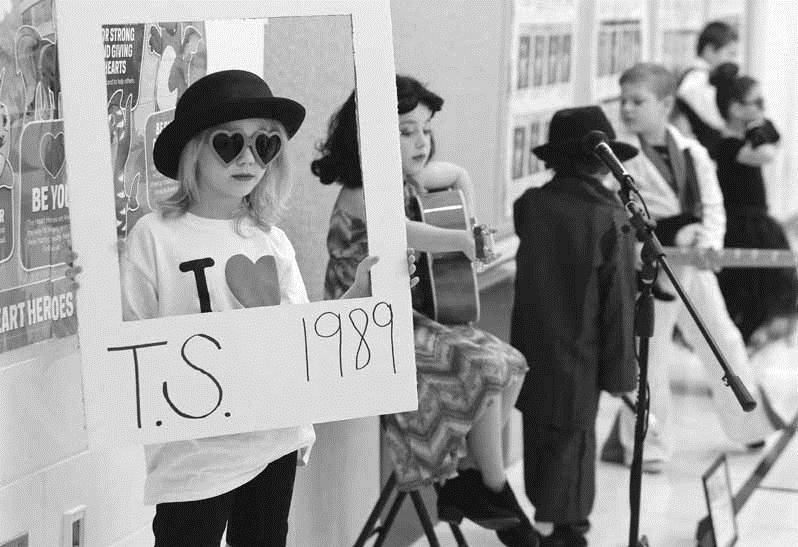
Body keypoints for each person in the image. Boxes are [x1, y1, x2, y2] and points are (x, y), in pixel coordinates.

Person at [102, 69, 407, 546]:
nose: (249, 158)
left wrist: (360, 295)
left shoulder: (271, 240)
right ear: (193, 150)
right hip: (193, 451)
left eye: (265, 145)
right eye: (230, 143)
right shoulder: (155, 237)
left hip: (271, 440)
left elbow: (305, 338)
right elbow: (128, 340)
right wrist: (87, 282)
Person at [312, 76, 535, 546]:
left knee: (511, 364)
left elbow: (457, 176)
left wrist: (467, 216)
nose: (422, 141)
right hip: (364, 319)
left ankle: (471, 479)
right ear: (370, 134)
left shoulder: (406, 178)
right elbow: (404, 231)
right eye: (406, 130)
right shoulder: (362, 192)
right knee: (482, 367)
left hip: (402, 310)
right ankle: (490, 489)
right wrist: (463, 240)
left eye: (426, 129)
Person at [600, 63, 779, 477]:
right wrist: (669, 235)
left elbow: (713, 205)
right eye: (623, 101)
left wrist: (708, 243)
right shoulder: (617, 158)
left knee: (724, 338)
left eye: (637, 101)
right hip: (650, 270)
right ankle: (648, 447)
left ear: (665, 105)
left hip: (694, 266)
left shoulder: (692, 151)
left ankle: (747, 423)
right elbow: (616, 218)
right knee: (650, 358)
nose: (627, 109)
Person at [511, 106, 638, 547]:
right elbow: (618, 305)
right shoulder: (610, 217)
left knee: (540, 438)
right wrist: (624, 376)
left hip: (532, 350)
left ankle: (545, 521)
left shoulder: (530, 206)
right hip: (581, 355)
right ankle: (564, 532)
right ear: (605, 162)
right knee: (574, 446)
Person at [709, 62, 797, 351]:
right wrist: (761, 131)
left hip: (754, 222)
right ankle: (737, 351)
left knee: (761, 294)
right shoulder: (729, 146)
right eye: (755, 102)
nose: (762, 107)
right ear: (735, 108)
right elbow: (767, 154)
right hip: (740, 226)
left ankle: (743, 350)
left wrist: (761, 129)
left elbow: (773, 140)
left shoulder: (744, 139)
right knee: (744, 295)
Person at [673, 21, 739, 159]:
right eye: (729, 53)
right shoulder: (696, 79)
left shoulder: (704, 77)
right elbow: (718, 122)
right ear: (709, 50)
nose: (733, 60)